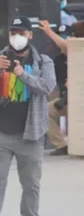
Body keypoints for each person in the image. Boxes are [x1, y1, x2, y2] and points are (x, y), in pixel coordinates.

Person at [0, 17, 56, 216]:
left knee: (30, 183)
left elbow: (47, 87)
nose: (16, 38)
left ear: (30, 35)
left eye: (21, 33)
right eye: (13, 33)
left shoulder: (43, 61)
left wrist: (22, 74)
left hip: (30, 134)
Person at [37, 20, 69, 156]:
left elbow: (67, 46)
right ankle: (62, 145)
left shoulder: (77, 53)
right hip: (67, 100)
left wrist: (49, 31)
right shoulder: (57, 60)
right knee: (44, 110)